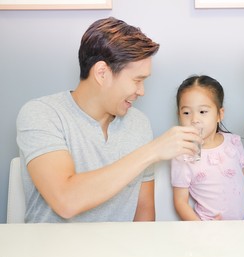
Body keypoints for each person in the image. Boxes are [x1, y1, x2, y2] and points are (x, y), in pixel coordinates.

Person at [16, 17, 202, 223]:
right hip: (52, 253)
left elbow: (144, 211)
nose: (142, 91)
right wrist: (153, 151)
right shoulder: (42, 114)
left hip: (118, 254)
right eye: (137, 80)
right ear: (102, 73)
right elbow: (66, 200)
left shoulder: (139, 124)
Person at [171, 75, 244, 221]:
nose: (194, 119)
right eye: (186, 113)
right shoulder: (183, 154)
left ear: (219, 114)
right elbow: (180, 202)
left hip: (243, 225)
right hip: (210, 229)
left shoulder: (233, 142)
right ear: (179, 115)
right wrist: (203, 230)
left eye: (203, 112)